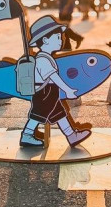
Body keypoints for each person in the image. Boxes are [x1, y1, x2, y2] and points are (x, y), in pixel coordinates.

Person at [19, 15, 91, 148]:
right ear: (45, 40)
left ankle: (71, 135)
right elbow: (53, 77)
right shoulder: (42, 60)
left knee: (59, 114)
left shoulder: (46, 57)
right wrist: (68, 90)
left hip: (50, 92)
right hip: (44, 93)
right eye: (58, 37)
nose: (62, 39)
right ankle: (27, 135)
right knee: (37, 115)